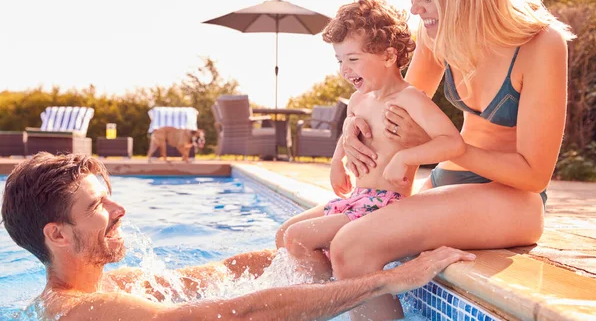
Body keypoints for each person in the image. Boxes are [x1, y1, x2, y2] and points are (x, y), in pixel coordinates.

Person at [332, 0, 575, 320]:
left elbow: (535, 175)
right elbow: (393, 103)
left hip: (514, 198)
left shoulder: (541, 45)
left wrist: (453, 147)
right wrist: (352, 128)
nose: (414, 8)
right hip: (449, 179)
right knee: (312, 238)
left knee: (352, 247)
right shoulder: (438, 35)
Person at [1, 152, 476, 321]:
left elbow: (219, 275)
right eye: (97, 206)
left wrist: (304, 246)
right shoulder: (80, 311)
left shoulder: (104, 289)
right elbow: (227, 315)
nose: (119, 210)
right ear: (57, 235)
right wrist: (385, 282)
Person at [275, 0, 465, 293]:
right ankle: (327, 293)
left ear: (389, 56)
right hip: (358, 198)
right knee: (284, 234)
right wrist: (337, 162)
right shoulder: (359, 99)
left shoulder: (409, 98)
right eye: (340, 60)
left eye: (353, 59)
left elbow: (453, 143)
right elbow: (350, 132)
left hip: (385, 204)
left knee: (299, 236)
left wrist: (405, 158)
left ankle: (326, 299)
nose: (345, 69)